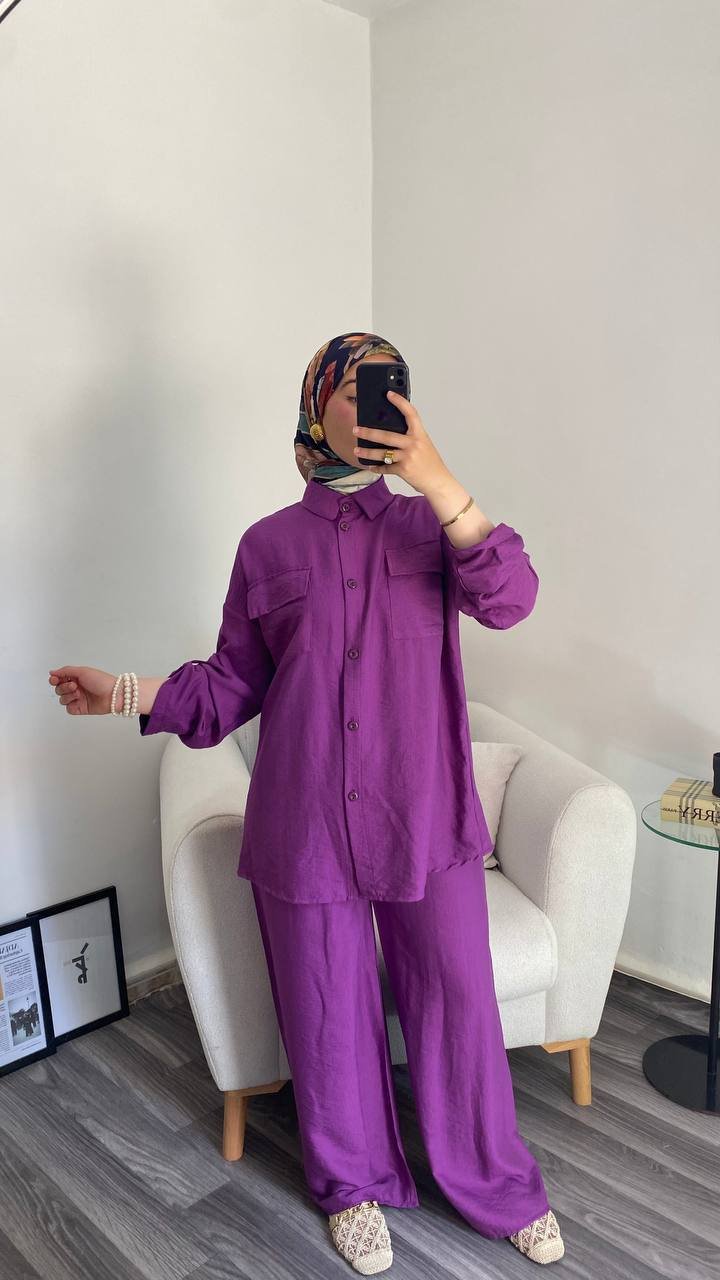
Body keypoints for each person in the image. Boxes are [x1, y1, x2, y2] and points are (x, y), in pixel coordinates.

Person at [49, 332, 564, 1272]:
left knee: (458, 1000)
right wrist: (121, 692)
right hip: (307, 820)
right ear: (317, 400)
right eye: (356, 385)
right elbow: (229, 685)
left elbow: (512, 598)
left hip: (425, 814)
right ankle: (350, 1183)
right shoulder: (267, 547)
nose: (376, 402)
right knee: (326, 1012)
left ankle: (495, 1182)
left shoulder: (431, 527)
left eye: (390, 386)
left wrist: (437, 478)